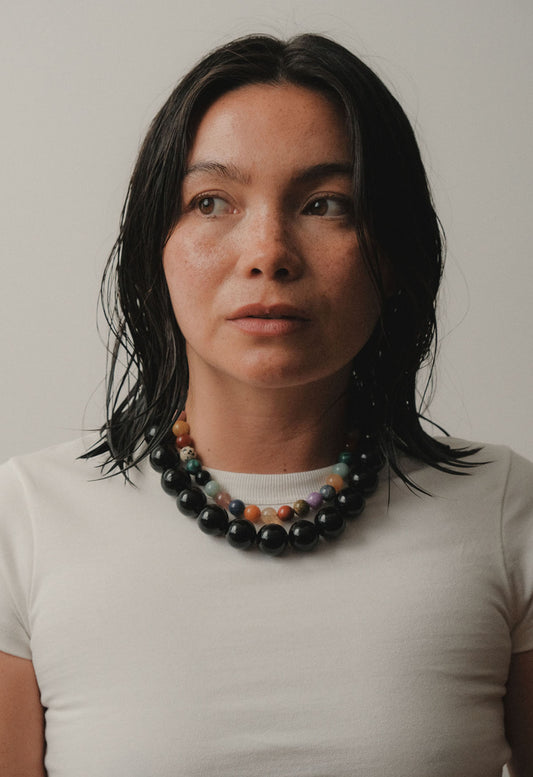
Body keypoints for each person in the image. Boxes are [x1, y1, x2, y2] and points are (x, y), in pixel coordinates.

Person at [0, 33, 531, 777]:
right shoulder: (25, 520)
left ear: (393, 254)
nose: (268, 253)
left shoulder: (507, 513)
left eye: (325, 204)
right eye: (211, 202)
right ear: (154, 248)